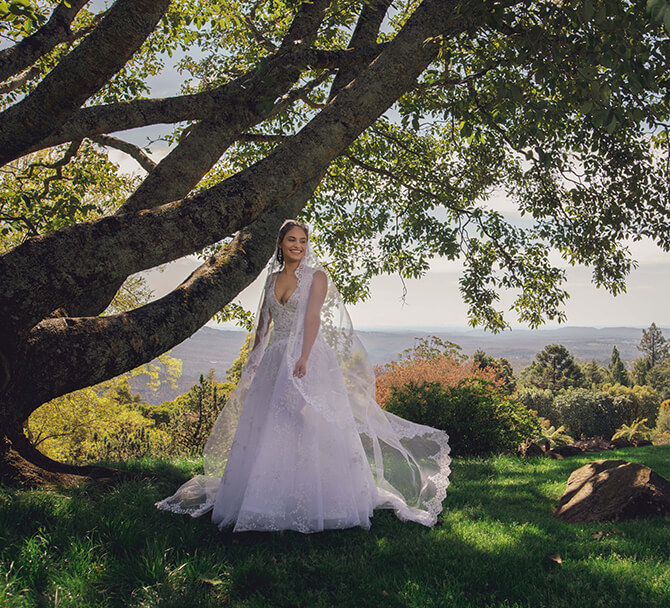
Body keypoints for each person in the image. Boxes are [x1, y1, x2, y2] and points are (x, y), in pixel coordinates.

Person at [156, 220, 451, 532]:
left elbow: (312, 319)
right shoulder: (271, 279)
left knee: (307, 421)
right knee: (272, 423)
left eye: (302, 241)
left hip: (306, 356)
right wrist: (253, 358)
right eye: (291, 240)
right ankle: (264, 495)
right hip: (274, 358)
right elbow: (263, 324)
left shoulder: (316, 277)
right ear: (281, 244)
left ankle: (320, 495)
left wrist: (305, 357)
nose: (297, 245)